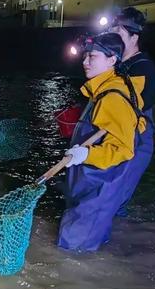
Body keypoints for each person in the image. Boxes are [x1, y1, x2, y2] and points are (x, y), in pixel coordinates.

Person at [57, 33, 147, 251]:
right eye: (85, 56)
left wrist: (87, 154)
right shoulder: (103, 90)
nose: (85, 62)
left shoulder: (113, 97)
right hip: (90, 185)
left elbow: (124, 150)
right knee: (89, 245)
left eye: (93, 57)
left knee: (70, 252)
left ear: (112, 60)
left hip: (98, 188)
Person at [108, 7, 155, 216]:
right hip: (116, 138)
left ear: (134, 36)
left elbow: (139, 106)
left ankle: (115, 242)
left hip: (136, 142)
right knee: (106, 192)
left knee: (116, 199)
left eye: (119, 33)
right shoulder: (119, 64)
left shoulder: (144, 68)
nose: (114, 38)